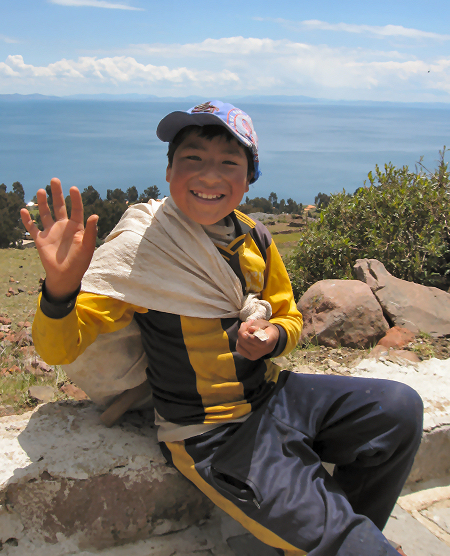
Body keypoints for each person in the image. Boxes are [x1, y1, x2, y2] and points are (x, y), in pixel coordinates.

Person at [21, 100, 422, 556]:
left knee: (397, 408)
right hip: (212, 433)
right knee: (359, 547)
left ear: (248, 180)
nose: (210, 175)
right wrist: (59, 290)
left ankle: (342, 535)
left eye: (229, 163)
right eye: (192, 159)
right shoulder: (142, 250)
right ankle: (347, 541)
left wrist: (272, 339)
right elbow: (60, 349)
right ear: (169, 171)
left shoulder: (254, 238)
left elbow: (288, 316)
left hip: (273, 396)